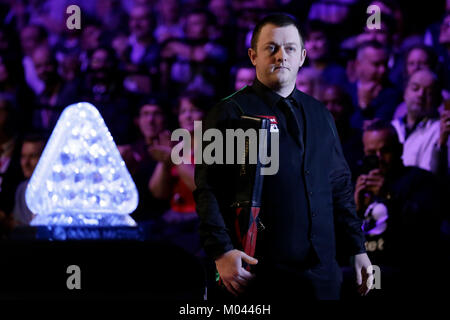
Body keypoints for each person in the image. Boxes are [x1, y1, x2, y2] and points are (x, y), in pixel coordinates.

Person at [194, 14, 372, 301]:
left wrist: (357, 248)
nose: (281, 56)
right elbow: (209, 190)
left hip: (322, 274)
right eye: (271, 48)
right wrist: (222, 251)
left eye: (289, 48)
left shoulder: (320, 113)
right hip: (257, 273)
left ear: (302, 56)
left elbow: (338, 185)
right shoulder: (229, 113)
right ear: (253, 56)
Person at [354, 120, 447, 297]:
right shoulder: (360, 184)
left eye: (386, 150)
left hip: (403, 267)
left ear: (400, 149)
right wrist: (356, 209)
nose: (379, 158)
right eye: (372, 153)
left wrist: (389, 196)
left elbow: (426, 227)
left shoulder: (420, 180)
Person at [391, 69, 449, 173]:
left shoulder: (441, 130)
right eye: (415, 88)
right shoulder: (393, 127)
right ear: (405, 92)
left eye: (429, 92)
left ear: (437, 100)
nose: (421, 94)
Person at [11, 134, 46, 227]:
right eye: (23, 156)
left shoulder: (55, 192)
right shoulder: (22, 190)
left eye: (33, 156)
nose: (25, 163)